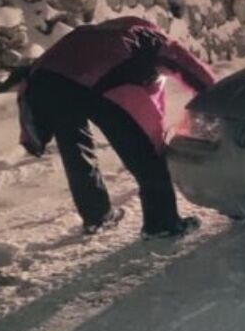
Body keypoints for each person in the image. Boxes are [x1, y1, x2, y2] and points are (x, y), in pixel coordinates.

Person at [16, 16, 216, 238]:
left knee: (76, 152)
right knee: (147, 155)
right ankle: (162, 224)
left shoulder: (103, 34)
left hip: (46, 82)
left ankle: (96, 217)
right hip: (96, 82)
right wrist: (221, 99)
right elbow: (195, 72)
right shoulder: (153, 40)